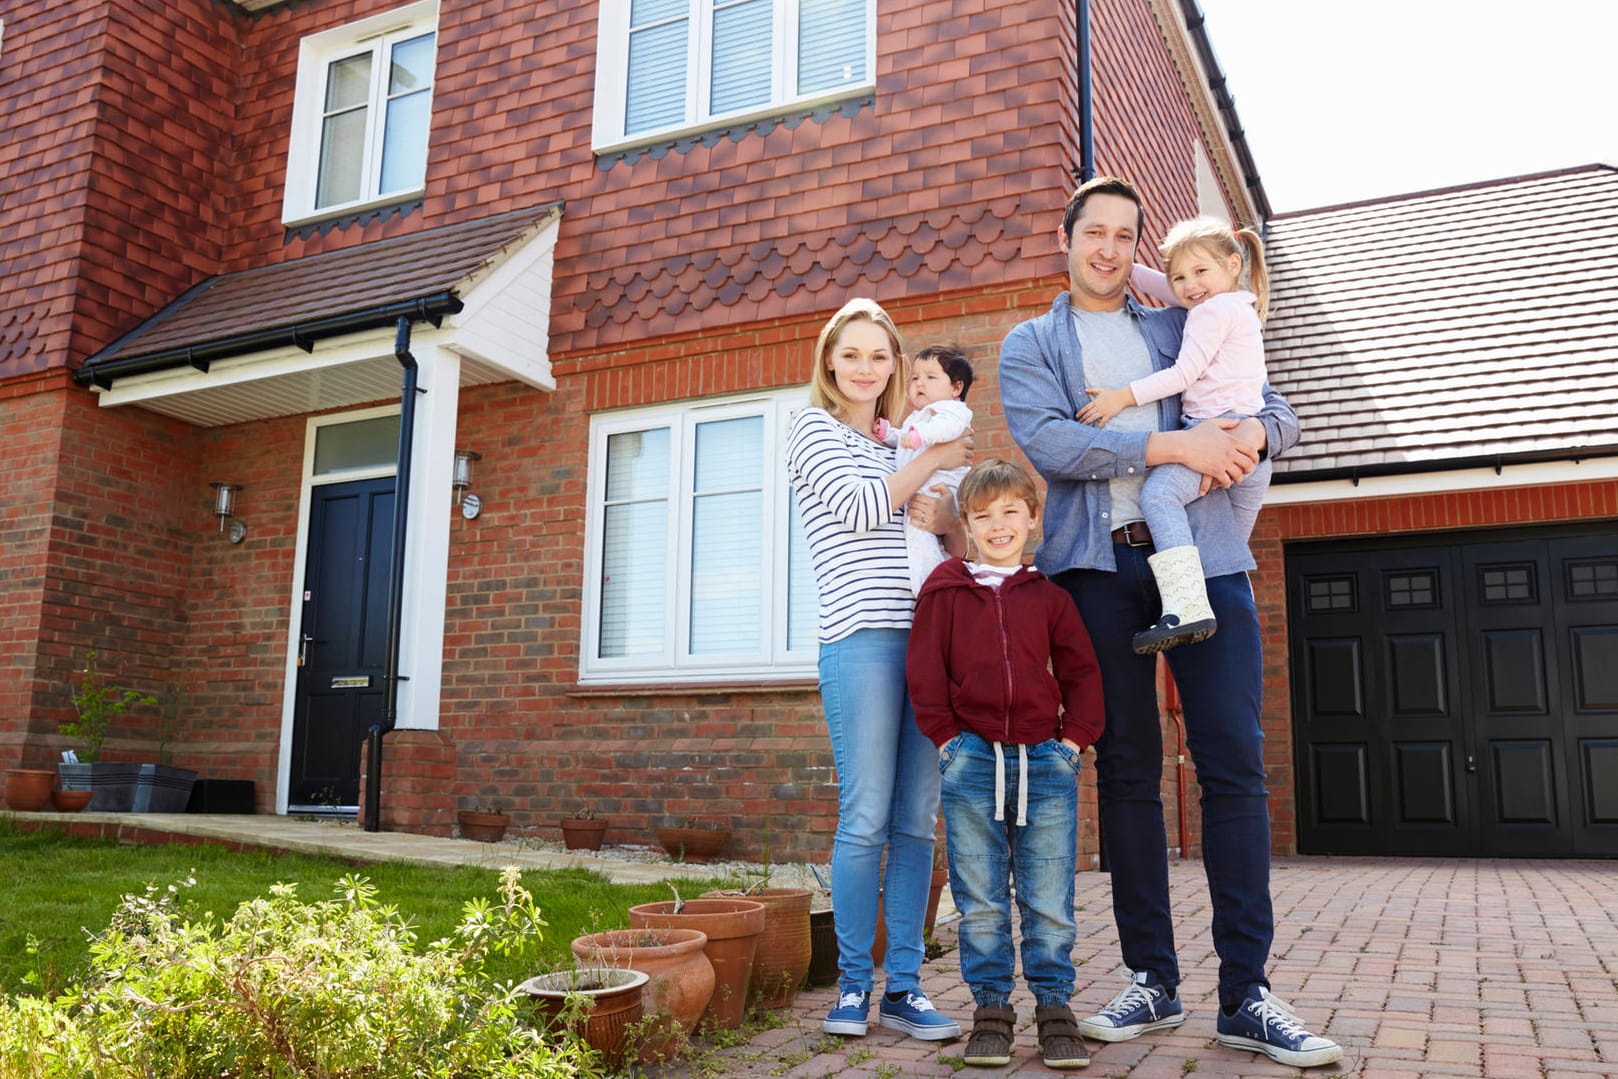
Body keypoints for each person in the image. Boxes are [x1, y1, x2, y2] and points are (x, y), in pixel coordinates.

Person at [997, 176, 1342, 1069]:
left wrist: (1257, 438)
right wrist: (1174, 445)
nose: (1107, 248)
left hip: (1206, 557)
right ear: (1065, 238)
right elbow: (1054, 445)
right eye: (1093, 233)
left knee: (1232, 761)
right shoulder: (1032, 343)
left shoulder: (1177, 317)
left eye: (1123, 235)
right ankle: (1152, 976)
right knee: (1129, 767)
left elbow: (1276, 406)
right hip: (1100, 570)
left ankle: (1248, 993)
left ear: (1138, 248)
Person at [785, 297, 972, 1042]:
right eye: (852, 353)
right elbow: (864, 510)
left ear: (895, 365)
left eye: (880, 355)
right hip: (860, 640)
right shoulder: (813, 428)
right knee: (864, 819)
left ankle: (906, 987)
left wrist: (945, 498)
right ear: (830, 362)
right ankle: (852, 987)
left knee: (915, 821)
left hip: (927, 640)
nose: (866, 367)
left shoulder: (902, 439)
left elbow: (950, 539)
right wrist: (934, 460)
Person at [905, 458, 1105, 1070]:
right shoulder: (944, 591)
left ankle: (1054, 1008)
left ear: (1032, 518)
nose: (998, 525)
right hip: (970, 762)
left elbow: (1081, 672)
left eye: (1010, 513)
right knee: (982, 898)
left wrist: (1074, 743)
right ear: (964, 522)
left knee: (1048, 897)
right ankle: (991, 1010)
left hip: (1045, 763)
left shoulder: (1049, 597)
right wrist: (945, 740)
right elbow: (925, 672)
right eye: (984, 516)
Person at [1075, 217, 1274, 654]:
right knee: (1226, 560)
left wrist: (1120, 398)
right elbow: (1170, 290)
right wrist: (1126, 267)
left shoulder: (1209, 313)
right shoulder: (1236, 302)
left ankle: (1184, 606)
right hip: (1253, 452)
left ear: (1232, 263)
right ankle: (1217, 609)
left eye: (1199, 272)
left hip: (1217, 436)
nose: (1188, 285)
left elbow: (1184, 373)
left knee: (1160, 498)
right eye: (1179, 276)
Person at [895, 345, 975, 595]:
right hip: (923, 488)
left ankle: (931, 590)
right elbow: (904, 440)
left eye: (931, 377)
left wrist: (921, 436)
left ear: (956, 388)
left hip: (939, 488)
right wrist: (889, 434)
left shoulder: (953, 411)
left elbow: (947, 430)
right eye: (915, 378)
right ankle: (935, 584)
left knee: (920, 537)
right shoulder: (918, 417)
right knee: (922, 538)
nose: (920, 384)